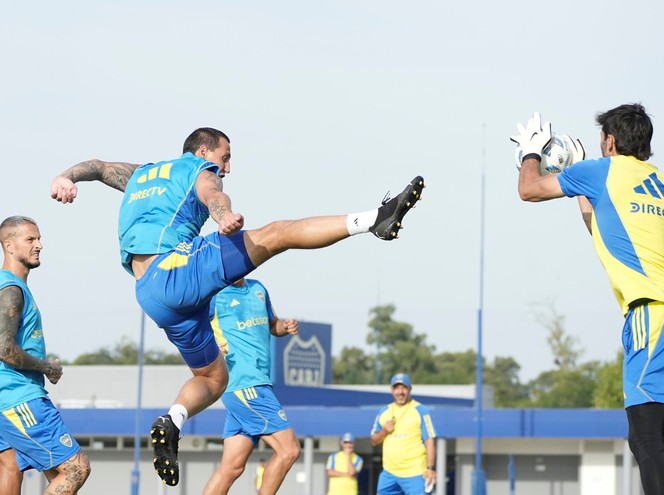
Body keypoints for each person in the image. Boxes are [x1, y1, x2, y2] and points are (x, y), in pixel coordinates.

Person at [49, 127, 425, 487]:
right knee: (277, 233)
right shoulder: (197, 169)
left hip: (150, 293)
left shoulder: (142, 176)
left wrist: (66, 177)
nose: (227, 167)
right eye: (225, 157)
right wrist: (222, 215)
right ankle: (375, 221)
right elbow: (212, 191)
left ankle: (173, 421)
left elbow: (97, 167)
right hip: (176, 270)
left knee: (214, 378)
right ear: (203, 152)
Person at [513, 104, 664, 494]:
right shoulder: (661, 183)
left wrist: (530, 153)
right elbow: (600, 227)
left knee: (645, 439)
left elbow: (528, 189)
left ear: (610, 140)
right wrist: (581, 184)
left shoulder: (602, 171)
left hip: (651, 316)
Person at [0, 216, 91, 494]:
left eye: (39, 238)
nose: (39, 245)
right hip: (19, 398)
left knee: (10, 466)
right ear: (9, 245)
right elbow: (4, 348)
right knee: (76, 469)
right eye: (30, 239)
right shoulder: (12, 289)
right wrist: (46, 368)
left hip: (6, 400)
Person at [202, 277, 301, 495]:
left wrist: (284, 326)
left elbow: (272, 324)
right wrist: (210, 348)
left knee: (231, 469)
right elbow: (191, 328)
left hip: (255, 384)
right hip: (244, 384)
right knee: (289, 450)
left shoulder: (258, 288)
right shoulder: (214, 295)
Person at [371, 373, 437, 494]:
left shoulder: (420, 410)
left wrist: (431, 468)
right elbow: (374, 440)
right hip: (389, 474)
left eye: (403, 388)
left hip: (415, 473)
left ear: (410, 389)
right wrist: (384, 431)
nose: (400, 392)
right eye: (396, 388)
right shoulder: (384, 411)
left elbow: (430, 441)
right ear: (392, 390)